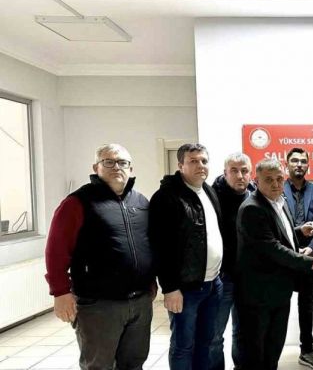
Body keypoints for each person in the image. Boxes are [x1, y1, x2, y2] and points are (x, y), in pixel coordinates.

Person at [44, 143, 155, 370]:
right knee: (98, 365)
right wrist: (60, 292)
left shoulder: (141, 202)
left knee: (134, 363)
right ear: (96, 167)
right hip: (99, 304)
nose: (116, 167)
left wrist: (151, 282)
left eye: (122, 162)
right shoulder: (77, 203)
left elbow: (148, 246)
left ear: (131, 168)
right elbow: (55, 250)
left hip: (140, 301)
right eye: (109, 162)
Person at [235, 158, 313, 370]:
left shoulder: (279, 201)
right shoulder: (252, 208)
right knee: (257, 353)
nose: (276, 184)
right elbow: (271, 247)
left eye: (279, 179)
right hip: (259, 294)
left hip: (278, 291)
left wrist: (299, 231)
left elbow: (279, 234)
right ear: (256, 181)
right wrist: (308, 262)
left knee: (273, 348)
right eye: (269, 180)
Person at [149, 143, 224, 370]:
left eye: (204, 161)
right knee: (183, 346)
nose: (200, 165)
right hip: (185, 288)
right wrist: (170, 287)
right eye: (193, 161)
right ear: (180, 165)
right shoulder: (166, 197)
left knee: (206, 342)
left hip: (213, 283)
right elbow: (160, 247)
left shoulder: (208, 191)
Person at [283, 148, 313, 370]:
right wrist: (293, 249)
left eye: (303, 161)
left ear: (308, 165)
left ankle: (307, 350)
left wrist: (311, 248)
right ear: (287, 164)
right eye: (294, 160)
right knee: (278, 305)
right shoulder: (277, 188)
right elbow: (276, 225)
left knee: (306, 306)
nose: (299, 164)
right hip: (283, 258)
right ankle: (272, 349)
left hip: (309, 259)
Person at [210, 152, 254, 370]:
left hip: (247, 278)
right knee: (215, 334)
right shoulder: (211, 197)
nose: (240, 176)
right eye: (234, 171)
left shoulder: (255, 195)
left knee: (243, 332)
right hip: (223, 277)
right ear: (225, 173)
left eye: (244, 171)